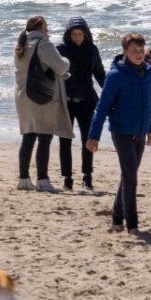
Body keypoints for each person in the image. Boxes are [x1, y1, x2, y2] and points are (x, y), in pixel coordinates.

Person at [87, 33, 151, 234]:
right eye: (134, 51)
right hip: (122, 131)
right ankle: (132, 225)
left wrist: (150, 128)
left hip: (141, 131)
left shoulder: (149, 72)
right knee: (130, 177)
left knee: (129, 175)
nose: (138, 54)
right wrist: (93, 136)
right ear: (125, 51)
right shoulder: (115, 75)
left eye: (141, 51)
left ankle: (117, 219)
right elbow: (102, 108)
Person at [13, 15, 73, 192]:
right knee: (45, 136)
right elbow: (61, 67)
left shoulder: (20, 44)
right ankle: (42, 180)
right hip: (40, 95)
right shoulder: (44, 44)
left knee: (28, 136)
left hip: (22, 95)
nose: (48, 31)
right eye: (46, 27)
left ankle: (23, 179)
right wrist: (67, 61)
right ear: (39, 28)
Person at [56, 17, 106, 191]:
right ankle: (67, 178)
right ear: (68, 35)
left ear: (86, 34)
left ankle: (87, 176)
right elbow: (51, 74)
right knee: (65, 140)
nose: (77, 37)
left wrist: (109, 93)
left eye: (80, 34)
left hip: (87, 101)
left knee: (88, 140)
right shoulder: (60, 50)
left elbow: (99, 73)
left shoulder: (92, 50)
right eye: (74, 34)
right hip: (65, 102)